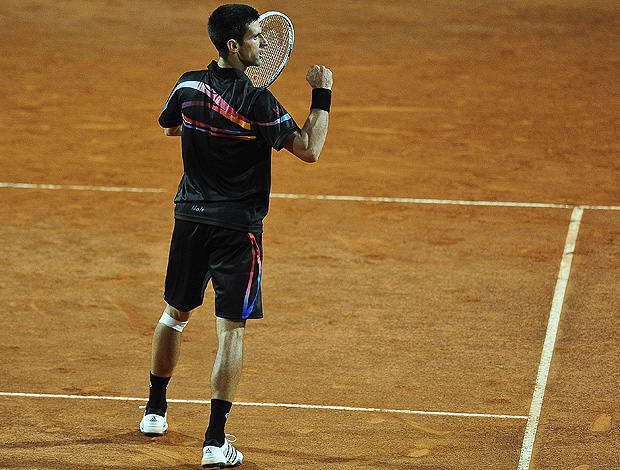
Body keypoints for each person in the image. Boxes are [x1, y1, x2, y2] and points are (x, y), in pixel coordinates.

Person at [138, 4, 332, 468]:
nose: (261, 45)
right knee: (231, 332)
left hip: (189, 218)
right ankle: (214, 441)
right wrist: (322, 97)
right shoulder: (257, 102)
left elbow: (170, 126)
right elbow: (310, 149)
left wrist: (210, 130)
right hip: (236, 230)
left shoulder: (187, 84)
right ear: (233, 45)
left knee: (174, 315)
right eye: (254, 37)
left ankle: (154, 410)